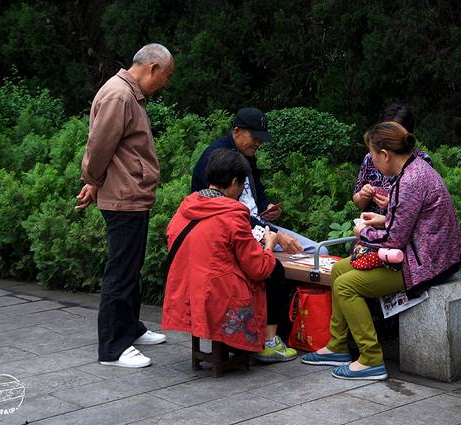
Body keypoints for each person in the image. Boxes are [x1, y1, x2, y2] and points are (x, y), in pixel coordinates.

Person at [301, 121, 461, 380]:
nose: (372, 160)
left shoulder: (410, 180)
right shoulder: (415, 169)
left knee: (346, 286)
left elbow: (393, 241)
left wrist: (362, 232)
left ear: (385, 155)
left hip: (426, 263)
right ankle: (337, 346)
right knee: (339, 270)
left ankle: (370, 359)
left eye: (372, 154)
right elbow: (408, 222)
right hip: (421, 253)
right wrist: (382, 220)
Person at [76, 43, 175, 368]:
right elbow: (99, 146)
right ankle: (113, 348)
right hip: (123, 198)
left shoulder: (129, 94)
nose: (165, 83)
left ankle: (130, 328)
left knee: (130, 268)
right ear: (153, 68)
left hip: (130, 194)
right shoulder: (119, 95)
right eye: (166, 76)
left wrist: (95, 182)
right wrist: (92, 178)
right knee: (120, 272)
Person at [162, 149, 297, 362]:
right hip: (219, 296)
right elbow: (259, 269)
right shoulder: (233, 214)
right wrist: (269, 246)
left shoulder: (187, 205)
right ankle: (270, 342)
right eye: (242, 185)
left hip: (184, 289)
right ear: (234, 182)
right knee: (274, 270)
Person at [191, 107, 324, 254]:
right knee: (310, 254)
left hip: (258, 225)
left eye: (261, 139)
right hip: (236, 232)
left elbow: (256, 189)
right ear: (237, 131)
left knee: (319, 251)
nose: (258, 143)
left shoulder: (247, 154)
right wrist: (276, 235)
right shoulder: (218, 158)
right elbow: (227, 215)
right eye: (254, 137)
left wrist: (266, 206)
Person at [353, 102, 432, 214]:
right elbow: (358, 203)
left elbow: (423, 211)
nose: (386, 138)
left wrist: (394, 205)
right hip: (373, 221)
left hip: (397, 223)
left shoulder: (420, 163)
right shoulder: (372, 157)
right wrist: (363, 195)